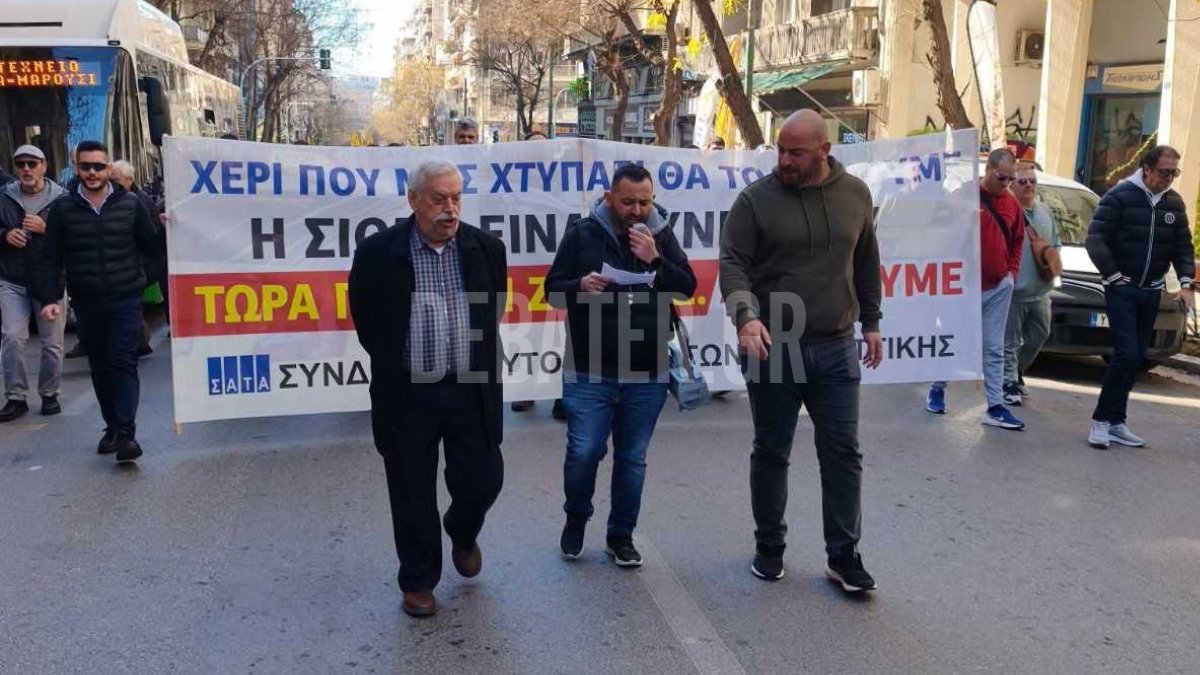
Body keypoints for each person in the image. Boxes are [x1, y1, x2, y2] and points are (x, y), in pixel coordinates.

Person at [720, 110, 883, 592]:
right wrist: (746, 316)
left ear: (824, 151)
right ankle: (770, 545)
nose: (784, 161)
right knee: (772, 449)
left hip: (836, 345)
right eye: (780, 151)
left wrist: (872, 323)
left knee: (843, 451)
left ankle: (843, 555)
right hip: (774, 346)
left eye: (796, 152)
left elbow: (866, 261)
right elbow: (732, 264)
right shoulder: (755, 201)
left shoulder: (855, 195)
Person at [348, 161, 508, 618]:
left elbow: (492, 311)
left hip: (470, 388)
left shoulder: (486, 248)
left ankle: (462, 530)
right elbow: (367, 320)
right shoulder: (378, 253)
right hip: (408, 393)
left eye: (456, 198)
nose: (449, 208)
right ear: (414, 199)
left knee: (484, 478)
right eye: (439, 199)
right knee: (411, 490)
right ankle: (418, 580)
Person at [545, 164, 697, 567]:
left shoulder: (661, 234)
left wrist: (656, 260)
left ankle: (621, 536)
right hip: (589, 368)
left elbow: (687, 287)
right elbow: (552, 291)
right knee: (584, 451)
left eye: (644, 202)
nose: (637, 210)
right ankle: (576, 516)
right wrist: (579, 286)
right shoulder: (582, 234)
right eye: (628, 202)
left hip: (647, 371)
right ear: (609, 198)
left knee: (632, 458)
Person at [33, 141, 161, 464]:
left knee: (123, 363)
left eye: (98, 167)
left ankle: (127, 434)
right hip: (88, 302)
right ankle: (112, 427)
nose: (92, 172)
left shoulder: (130, 204)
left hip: (126, 299)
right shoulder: (63, 210)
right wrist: (49, 298)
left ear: (108, 169)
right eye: (86, 166)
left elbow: (152, 246)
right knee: (101, 367)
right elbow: (50, 258)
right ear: (77, 168)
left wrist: (143, 272)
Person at [1085, 145, 1195, 449]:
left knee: (1137, 357)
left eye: (1174, 172)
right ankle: (1100, 421)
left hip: (1152, 290)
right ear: (1146, 169)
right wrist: (1113, 276)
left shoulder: (1174, 203)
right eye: (1164, 172)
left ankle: (1117, 421)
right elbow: (1095, 239)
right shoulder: (1120, 196)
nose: (1169, 178)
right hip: (1123, 288)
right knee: (1125, 354)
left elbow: (1182, 247)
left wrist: (1186, 284)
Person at [926, 148, 1026, 430]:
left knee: (993, 347)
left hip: (998, 286)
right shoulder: (963, 196)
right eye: (1002, 177)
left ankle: (995, 406)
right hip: (963, 286)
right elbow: (942, 235)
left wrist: (1011, 273)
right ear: (989, 170)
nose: (1007, 184)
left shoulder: (1011, 203)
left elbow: (1018, 239)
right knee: (953, 340)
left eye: (1011, 179)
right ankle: (937, 388)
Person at [0, 145, 67, 422]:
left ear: (44, 166)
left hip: (49, 282)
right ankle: (16, 398)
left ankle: (50, 394)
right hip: (12, 278)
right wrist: (5, 235)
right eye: (20, 164)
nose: (26, 169)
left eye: (32, 163)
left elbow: (76, 236)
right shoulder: (4, 196)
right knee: (12, 337)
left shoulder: (62, 199)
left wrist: (46, 229)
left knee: (52, 343)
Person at [1002, 161, 1061, 406]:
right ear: (1012, 185)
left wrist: (1053, 263)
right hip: (1014, 290)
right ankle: (1007, 383)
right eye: (1022, 181)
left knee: (1040, 333)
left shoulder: (1045, 210)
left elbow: (1055, 242)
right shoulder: (1006, 211)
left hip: (1041, 289)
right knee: (1010, 341)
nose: (1028, 185)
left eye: (1032, 181)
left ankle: (1016, 371)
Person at [111, 160, 167, 358]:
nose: (113, 185)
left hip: (139, 265)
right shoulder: (120, 199)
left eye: (117, 180)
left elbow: (151, 240)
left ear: (130, 180)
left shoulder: (138, 202)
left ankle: (137, 342)